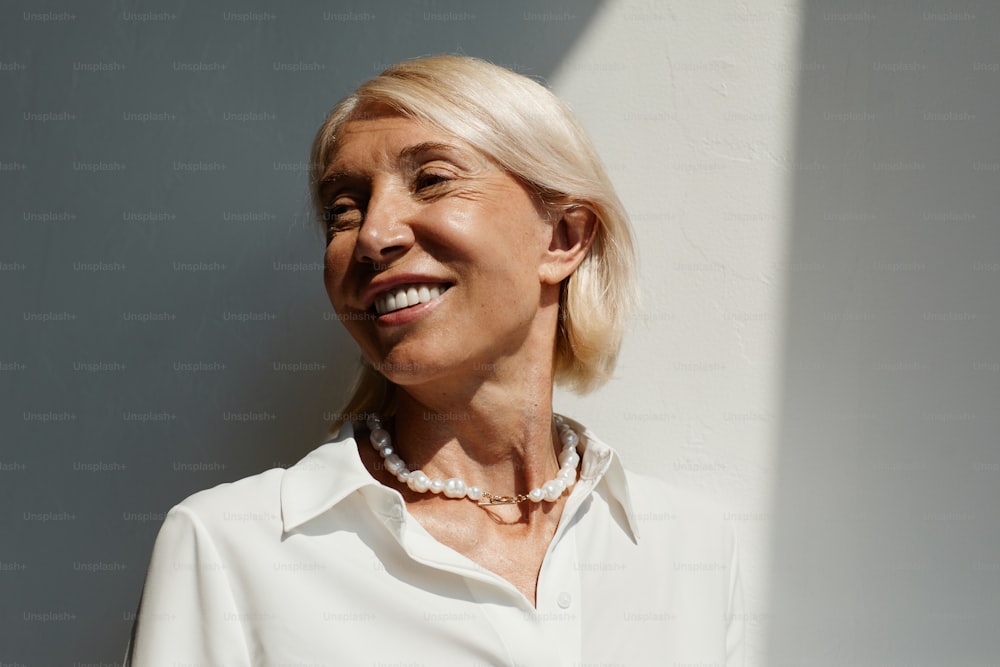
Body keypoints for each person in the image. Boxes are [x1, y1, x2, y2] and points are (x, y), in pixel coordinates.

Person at [126, 54, 744, 665]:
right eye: (344, 210)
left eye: (431, 180)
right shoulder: (229, 546)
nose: (372, 235)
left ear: (562, 238)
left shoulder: (691, 547)